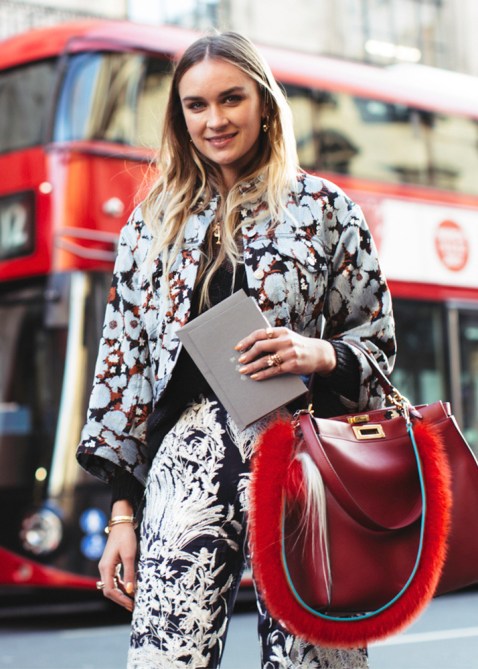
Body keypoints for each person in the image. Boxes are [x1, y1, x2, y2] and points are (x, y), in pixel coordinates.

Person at [76, 30, 395, 669]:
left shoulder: (326, 209)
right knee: (168, 659)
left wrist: (317, 354)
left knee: (314, 659)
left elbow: (377, 348)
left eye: (231, 99)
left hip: (305, 455)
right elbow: (124, 369)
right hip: (186, 463)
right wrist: (120, 518)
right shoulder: (149, 224)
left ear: (265, 104)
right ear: (180, 117)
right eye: (196, 105)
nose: (215, 120)